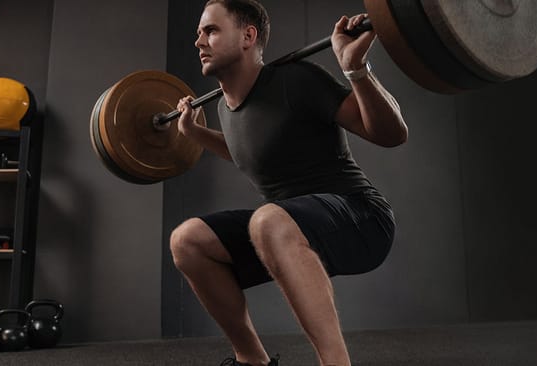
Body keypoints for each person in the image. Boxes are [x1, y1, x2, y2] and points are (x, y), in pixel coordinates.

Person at [170, 1, 408, 365]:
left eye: (211, 30)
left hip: (361, 218)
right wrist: (195, 133)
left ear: (248, 36)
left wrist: (355, 69)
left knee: (268, 219)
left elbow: (391, 134)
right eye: (199, 33)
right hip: (285, 229)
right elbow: (251, 151)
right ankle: (252, 360)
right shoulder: (224, 108)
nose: (199, 41)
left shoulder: (296, 81)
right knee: (187, 240)